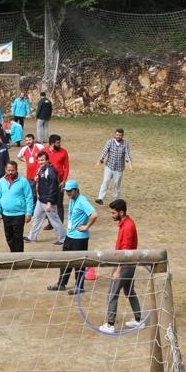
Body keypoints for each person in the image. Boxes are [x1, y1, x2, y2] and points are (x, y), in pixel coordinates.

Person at [99, 199, 143, 334]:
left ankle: (110, 324)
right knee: (129, 291)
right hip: (129, 264)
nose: (111, 215)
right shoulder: (126, 223)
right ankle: (138, 319)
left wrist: (118, 270)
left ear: (121, 212)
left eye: (113, 213)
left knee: (112, 293)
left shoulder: (128, 226)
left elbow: (126, 251)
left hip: (124, 265)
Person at [47, 180, 97, 295]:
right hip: (69, 236)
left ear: (76, 190)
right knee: (65, 260)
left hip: (79, 238)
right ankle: (61, 284)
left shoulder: (82, 200)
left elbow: (94, 215)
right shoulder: (72, 199)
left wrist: (86, 226)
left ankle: (79, 287)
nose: (68, 193)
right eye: (66, 191)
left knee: (78, 263)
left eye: (70, 191)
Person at [26, 150, 65, 246]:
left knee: (55, 220)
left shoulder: (50, 171)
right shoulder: (41, 169)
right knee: (37, 218)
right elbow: (43, 183)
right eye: (39, 160)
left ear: (47, 160)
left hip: (48, 201)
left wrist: (49, 203)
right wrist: (37, 180)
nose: (40, 162)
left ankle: (63, 238)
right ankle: (32, 237)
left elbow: (53, 188)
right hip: (41, 200)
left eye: (42, 160)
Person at [0, 160, 34, 252]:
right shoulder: (1, 181)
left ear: (16, 170)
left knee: (18, 237)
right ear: (5, 170)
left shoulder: (23, 181)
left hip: (19, 215)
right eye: (8, 170)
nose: (10, 172)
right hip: (6, 214)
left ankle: (19, 256)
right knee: (9, 237)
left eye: (12, 170)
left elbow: (29, 197)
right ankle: (13, 254)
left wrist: (29, 213)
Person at [96, 128, 134, 204]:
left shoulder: (125, 143)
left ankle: (115, 200)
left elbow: (127, 154)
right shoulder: (110, 142)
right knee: (105, 181)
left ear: (122, 135)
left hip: (119, 168)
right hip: (109, 166)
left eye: (120, 135)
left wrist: (130, 165)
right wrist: (99, 161)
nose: (118, 136)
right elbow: (104, 151)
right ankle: (100, 198)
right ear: (115, 134)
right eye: (117, 135)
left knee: (117, 185)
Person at [47, 134, 70, 222]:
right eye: (58, 143)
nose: (60, 144)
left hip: (59, 181)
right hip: (47, 181)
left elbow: (66, 167)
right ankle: (50, 223)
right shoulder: (44, 151)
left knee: (59, 203)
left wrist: (64, 180)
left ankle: (60, 223)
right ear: (52, 143)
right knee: (49, 202)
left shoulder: (63, 152)